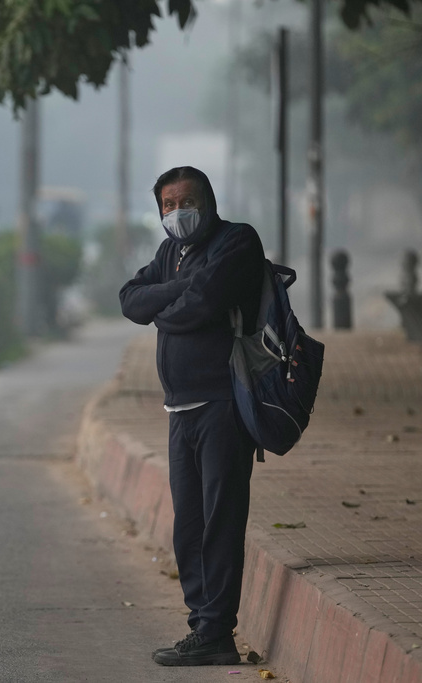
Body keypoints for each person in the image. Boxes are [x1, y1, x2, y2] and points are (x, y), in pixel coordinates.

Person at [118, 166, 264, 667]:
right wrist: (172, 294)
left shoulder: (236, 242)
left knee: (220, 521)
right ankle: (201, 626)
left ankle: (216, 631)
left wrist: (168, 302)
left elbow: (202, 304)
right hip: (179, 409)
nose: (177, 212)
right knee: (189, 526)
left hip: (223, 403)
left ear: (208, 200)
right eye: (167, 205)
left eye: (186, 201)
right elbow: (130, 300)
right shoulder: (170, 253)